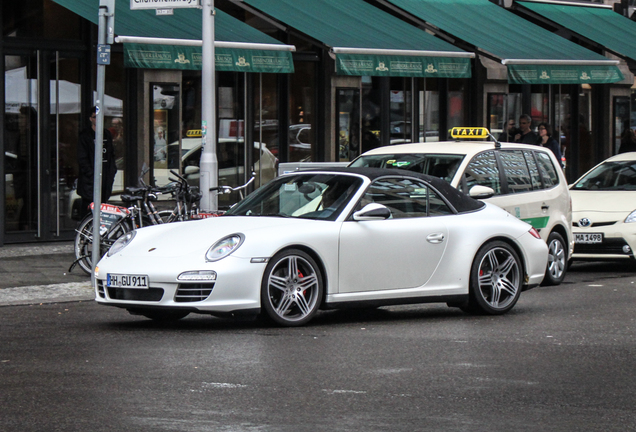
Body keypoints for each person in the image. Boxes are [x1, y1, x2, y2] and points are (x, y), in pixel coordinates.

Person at [77, 106, 118, 219]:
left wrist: (111, 172)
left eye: (100, 117)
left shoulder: (107, 134)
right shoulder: (85, 135)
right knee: (88, 210)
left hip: (105, 178)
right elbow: (82, 158)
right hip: (90, 181)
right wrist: (91, 175)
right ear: (91, 119)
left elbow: (111, 155)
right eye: (95, 117)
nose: (98, 120)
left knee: (102, 208)